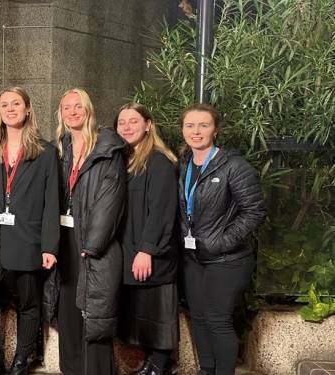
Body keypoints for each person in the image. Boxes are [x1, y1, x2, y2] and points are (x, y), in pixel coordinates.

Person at [0, 87, 59, 375]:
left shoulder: (46, 152)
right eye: (4, 105)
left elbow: (51, 204)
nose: (10, 109)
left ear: (28, 109)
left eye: (16, 104)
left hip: (27, 239)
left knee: (28, 303)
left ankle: (21, 360)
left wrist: (49, 245)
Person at [178, 103, 265, 375]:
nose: (196, 131)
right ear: (182, 130)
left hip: (227, 259)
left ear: (215, 130)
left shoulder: (234, 166)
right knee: (200, 318)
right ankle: (207, 370)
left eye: (204, 125)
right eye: (190, 125)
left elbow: (255, 211)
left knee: (217, 319)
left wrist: (223, 241)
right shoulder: (183, 164)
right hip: (193, 256)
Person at [55, 88, 127, 375]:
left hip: (93, 245)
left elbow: (111, 200)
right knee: (69, 316)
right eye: (66, 108)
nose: (72, 112)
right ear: (60, 114)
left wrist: (93, 243)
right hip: (65, 241)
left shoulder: (107, 149)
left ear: (89, 110)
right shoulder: (61, 148)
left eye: (78, 107)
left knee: (94, 318)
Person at [114, 103, 179, 375]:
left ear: (148, 125)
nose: (127, 127)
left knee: (157, 309)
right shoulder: (122, 160)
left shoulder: (158, 161)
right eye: (121, 122)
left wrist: (147, 250)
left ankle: (159, 365)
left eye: (134, 121)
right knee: (140, 309)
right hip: (127, 249)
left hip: (151, 252)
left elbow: (162, 212)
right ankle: (149, 363)